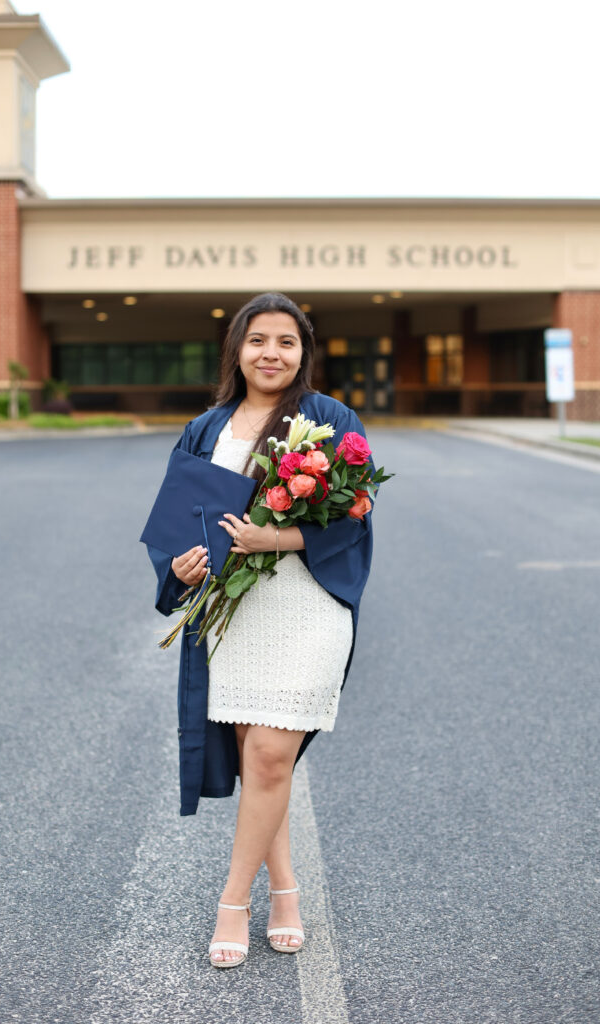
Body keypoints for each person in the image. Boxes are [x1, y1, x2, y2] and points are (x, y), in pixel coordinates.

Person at [144, 292, 374, 968]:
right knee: (258, 759)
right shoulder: (204, 429)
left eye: (286, 341)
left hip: (305, 606)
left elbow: (354, 514)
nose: (271, 353)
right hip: (232, 611)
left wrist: (274, 536)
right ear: (236, 350)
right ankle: (287, 894)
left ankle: (231, 902)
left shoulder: (330, 420)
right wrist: (183, 566)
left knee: (271, 755)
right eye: (257, 340)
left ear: (303, 352)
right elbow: (176, 521)